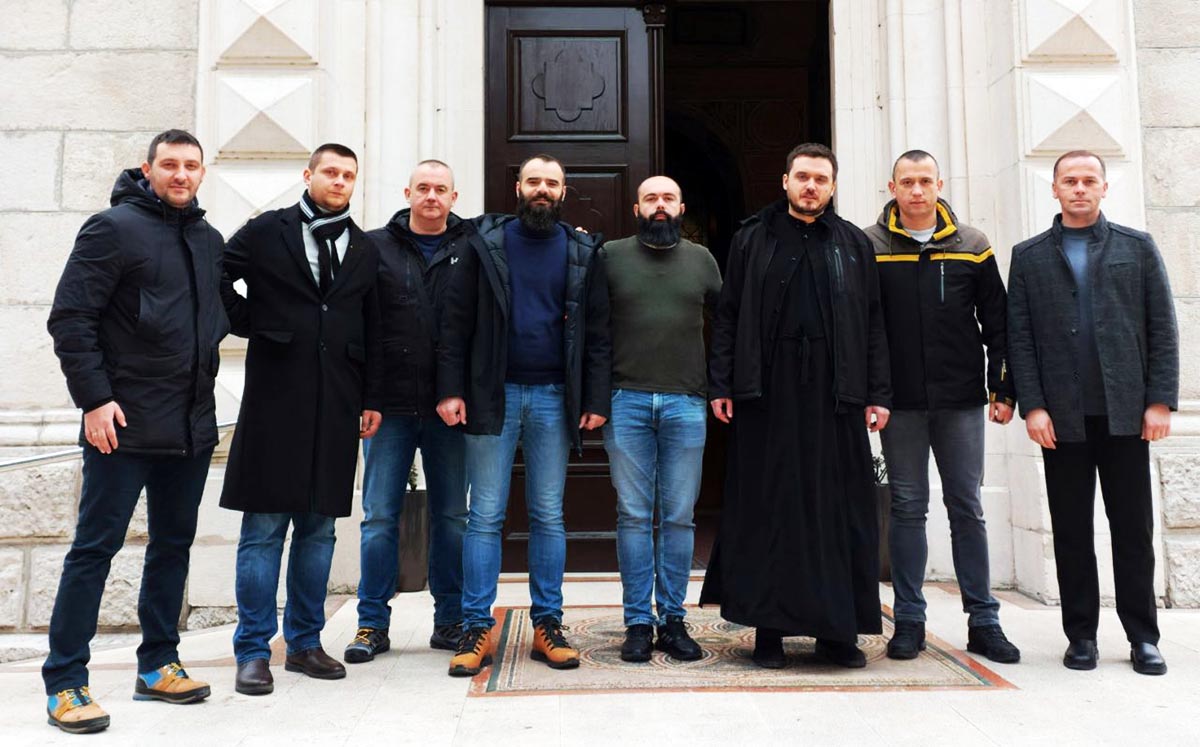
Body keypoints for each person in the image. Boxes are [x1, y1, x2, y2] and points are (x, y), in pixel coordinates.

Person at [43, 129, 226, 733]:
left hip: (189, 426)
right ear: (148, 170)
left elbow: (220, 317)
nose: (181, 175)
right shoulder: (112, 228)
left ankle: (158, 665)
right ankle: (65, 682)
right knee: (94, 550)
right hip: (121, 426)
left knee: (172, 547)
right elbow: (71, 318)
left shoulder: (208, 240)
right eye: (169, 164)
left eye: (191, 165)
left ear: (202, 173)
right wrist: (95, 400)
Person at [701, 142, 892, 669]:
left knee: (837, 511)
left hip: (837, 395)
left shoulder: (854, 243)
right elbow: (729, 315)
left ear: (833, 187)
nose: (811, 186)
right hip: (767, 394)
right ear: (785, 181)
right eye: (803, 176)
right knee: (771, 508)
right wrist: (722, 385)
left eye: (821, 179)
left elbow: (874, 322)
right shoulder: (751, 238)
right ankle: (770, 632)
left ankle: (838, 632)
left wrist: (878, 393)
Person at [436, 154, 611, 676]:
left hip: (556, 397)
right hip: (493, 395)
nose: (542, 189)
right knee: (485, 515)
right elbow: (454, 323)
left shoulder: (582, 251)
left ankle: (547, 625)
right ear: (517, 187)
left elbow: (598, 332)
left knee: (548, 514)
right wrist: (451, 390)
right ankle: (476, 627)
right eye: (533, 181)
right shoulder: (483, 244)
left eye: (551, 183)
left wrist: (595, 399)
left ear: (563, 192)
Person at [220, 143, 383, 695]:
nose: (339, 181)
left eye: (348, 175)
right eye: (330, 172)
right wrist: (254, 323)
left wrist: (371, 397)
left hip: (337, 403)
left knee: (318, 530)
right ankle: (252, 651)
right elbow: (217, 274)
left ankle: (306, 644)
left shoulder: (364, 247)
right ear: (308, 174)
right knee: (264, 530)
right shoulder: (268, 230)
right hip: (275, 398)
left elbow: (373, 326)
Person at [1007, 150, 1178, 675]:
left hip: (1126, 414)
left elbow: (1162, 326)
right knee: (1071, 531)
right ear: (1054, 189)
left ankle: (1143, 637)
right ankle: (1080, 636)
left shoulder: (1137, 247)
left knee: (1133, 530)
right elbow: (1020, 339)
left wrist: (1159, 400)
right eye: (1069, 180)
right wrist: (1034, 406)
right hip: (1063, 419)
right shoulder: (1029, 256)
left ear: (1104, 187)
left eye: (1088, 180)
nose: (1079, 188)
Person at [864, 150, 1021, 664]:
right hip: (900, 404)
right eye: (907, 182)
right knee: (908, 508)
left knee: (966, 507)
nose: (917, 190)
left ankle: (984, 621)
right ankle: (909, 621)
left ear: (939, 184)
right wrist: (873, 393)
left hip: (961, 401)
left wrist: (1003, 388)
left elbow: (997, 322)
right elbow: (865, 327)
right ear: (892, 187)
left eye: (925, 181)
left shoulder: (972, 244)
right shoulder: (871, 245)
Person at [344, 160, 481, 663]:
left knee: (453, 518)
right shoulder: (373, 246)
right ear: (407, 193)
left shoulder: (472, 247)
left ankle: (450, 622)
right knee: (380, 517)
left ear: (454, 197)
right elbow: (359, 323)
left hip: (450, 408)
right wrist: (366, 398)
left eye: (440, 189)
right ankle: (371, 624)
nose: (431, 196)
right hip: (389, 407)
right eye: (423, 188)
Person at [599, 176, 721, 663]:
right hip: (624, 401)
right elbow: (590, 327)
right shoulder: (610, 257)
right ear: (637, 208)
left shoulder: (702, 261)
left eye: (668, 198)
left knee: (677, 516)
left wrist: (721, 388)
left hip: (686, 403)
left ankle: (672, 619)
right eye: (651, 198)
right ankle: (637, 622)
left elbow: (728, 326)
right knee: (633, 515)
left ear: (681, 207)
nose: (660, 205)